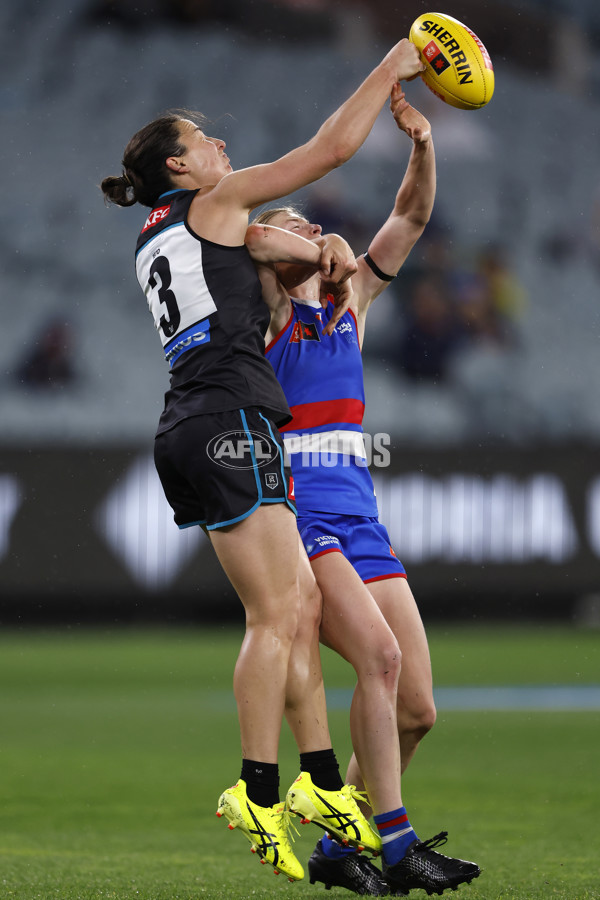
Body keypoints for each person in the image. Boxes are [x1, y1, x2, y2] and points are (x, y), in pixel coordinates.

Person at [100, 39, 426, 884]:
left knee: (300, 607)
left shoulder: (159, 234)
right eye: (205, 142)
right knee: (277, 617)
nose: (222, 150)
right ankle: (256, 785)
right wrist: (390, 68)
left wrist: (314, 251)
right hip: (231, 416)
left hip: (192, 419)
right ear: (179, 164)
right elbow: (326, 152)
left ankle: (322, 783)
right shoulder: (216, 205)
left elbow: (270, 247)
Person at [253, 85, 481, 895]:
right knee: (378, 661)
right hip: (303, 521)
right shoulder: (273, 310)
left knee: (417, 706)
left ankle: (336, 841)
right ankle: (393, 841)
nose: (313, 230)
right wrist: (316, 241)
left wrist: (422, 148)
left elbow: (410, 220)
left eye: (313, 225)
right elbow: (250, 239)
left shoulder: (353, 307)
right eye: (298, 225)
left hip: (362, 521)